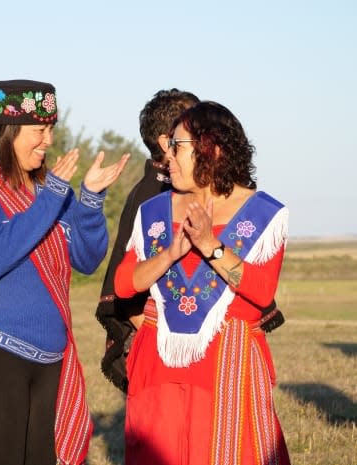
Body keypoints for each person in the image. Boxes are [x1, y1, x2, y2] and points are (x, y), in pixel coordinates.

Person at [0, 79, 129, 465]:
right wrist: (53, 197)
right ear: (8, 130)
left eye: (50, 129)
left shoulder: (48, 187)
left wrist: (90, 202)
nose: (47, 140)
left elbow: (86, 257)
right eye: (38, 130)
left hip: (49, 356)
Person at [115, 101, 291, 464]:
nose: (168, 157)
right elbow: (122, 285)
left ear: (213, 150)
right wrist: (168, 256)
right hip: (158, 366)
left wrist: (211, 246)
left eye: (177, 147)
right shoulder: (155, 211)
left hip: (226, 367)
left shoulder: (263, 213)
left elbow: (260, 292)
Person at [96, 89, 199, 393]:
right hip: (161, 354)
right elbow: (128, 295)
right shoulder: (151, 198)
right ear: (169, 142)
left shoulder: (179, 190)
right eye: (197, 130)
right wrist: (172, 345)